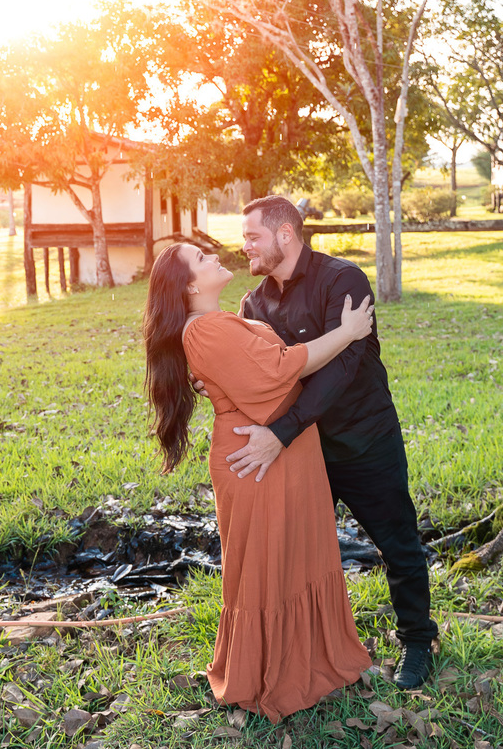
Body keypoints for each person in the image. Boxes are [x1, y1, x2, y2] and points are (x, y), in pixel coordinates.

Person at [208, 194, 438, 690]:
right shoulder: (254, 303)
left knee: (396, 543)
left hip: (363, 439)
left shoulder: (343, 279)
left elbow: (342, 367)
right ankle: (307, 653)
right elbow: (261, 373)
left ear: (284, 235)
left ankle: (419, 640)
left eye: (252, 237)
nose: (243, 246)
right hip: (302, 455)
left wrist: (281, 433)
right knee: (299, 554)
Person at [143, 241, 375, 723]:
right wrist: (349, 331)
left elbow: (260, 364)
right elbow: (283, 367)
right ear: (190, 285)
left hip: (281, 450)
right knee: (266, 565)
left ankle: (308, 660)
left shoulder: (218, 322)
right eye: (201, 259)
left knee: (293, 556)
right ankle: (267, 674)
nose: (214, 257)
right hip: (257, 459)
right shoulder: (205, 328)